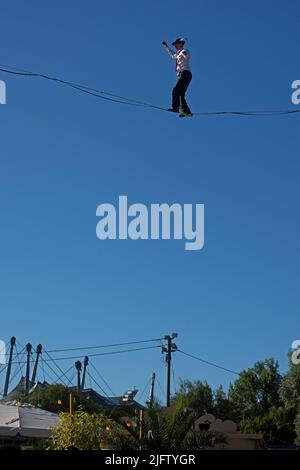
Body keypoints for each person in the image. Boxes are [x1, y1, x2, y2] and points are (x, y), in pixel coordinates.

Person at [162, 37, 192, 117]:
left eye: (176, 44)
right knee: (180, 94)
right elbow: (172, 55)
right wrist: (166, 47)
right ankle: (186, 112)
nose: (175, 46)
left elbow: (187, 57)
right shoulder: (178, 53)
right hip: (184, 74)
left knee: (175, 91)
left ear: (180, 44)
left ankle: (175, 107)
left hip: (185, 73)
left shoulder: (184, 51)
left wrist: (184, 54)